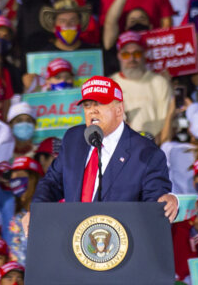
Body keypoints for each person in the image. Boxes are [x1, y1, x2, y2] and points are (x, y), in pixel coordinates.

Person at [32, 77, 176, 217]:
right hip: (73, 236)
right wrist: (36, 212)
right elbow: (51, 183)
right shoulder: (73, 139)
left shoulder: (146, 153)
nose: (92, 111)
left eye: (99, 104)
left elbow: (155, 206)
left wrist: (167, 201)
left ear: (119, 109)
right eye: (87, 105)